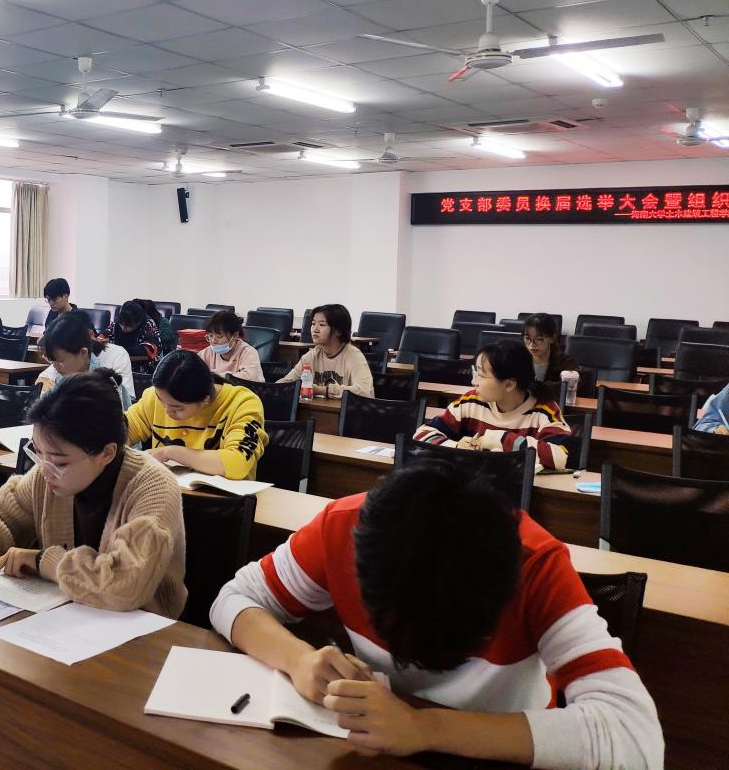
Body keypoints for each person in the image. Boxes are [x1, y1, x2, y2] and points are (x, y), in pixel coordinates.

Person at [209, 461, 662, 768]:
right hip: (376, 747)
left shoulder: (534, 565)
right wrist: (299, 660)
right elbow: (233, 599)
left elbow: (636, 739)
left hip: (497, 753)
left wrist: (425, 727)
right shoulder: (345, 528)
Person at [0, 370, 186, 618]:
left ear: (106, 453)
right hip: (64, 616)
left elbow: (125, 586)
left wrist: (43, 561)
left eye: (59, 462)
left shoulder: (153, 487)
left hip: (143, 627)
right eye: (37, 453)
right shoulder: (46, 475)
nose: (44, 470)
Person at [414, 339, 572, 472]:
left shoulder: (545, 411)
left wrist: (500, 438)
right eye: (475, 373)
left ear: (509, 384)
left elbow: (559, 457)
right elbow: (422, 434)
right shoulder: (471, 401)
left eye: (481, 375)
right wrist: (458, 447)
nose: (474, 382)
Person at [126, 350, 267, 479]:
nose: (166, 411)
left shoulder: (242, 403)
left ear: (205, 400)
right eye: (160, 401)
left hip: (225, 497)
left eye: (177, 408)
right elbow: (120, 432)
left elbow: (238, 463)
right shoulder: (155, 397)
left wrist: (169, 453)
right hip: (166, 492)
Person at [35, 310, 134, 408]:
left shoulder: (107, 386)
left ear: (83, 353)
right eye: (52, 361)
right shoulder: (62, 376)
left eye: (60, 361)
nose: (55, 367)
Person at [280, 303, 373, 397]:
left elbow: (364, 391)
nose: (315, 329)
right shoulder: (312, 355)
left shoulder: (354, 356)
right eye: (313, 324)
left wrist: (322, 390)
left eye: (322, 324)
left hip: (351, 407)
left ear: (338, 330)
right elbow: (285, 382)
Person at [197, 310, 264, 382]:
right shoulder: (207, 353)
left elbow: (249, 378)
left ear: (235, 335)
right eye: (210, 336)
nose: (213, 341)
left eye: (219, 337)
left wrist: (217, 376)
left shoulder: (248, 352)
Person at [523, 312, 579, 396]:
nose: (531, 344)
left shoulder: (566, 362)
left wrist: (535, 387)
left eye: (539, 339)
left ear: (552, 338)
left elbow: (570, 385)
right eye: (527, 338)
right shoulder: (520, 359)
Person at [106, 301, 162, 373]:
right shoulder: (117, 322)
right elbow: (103, 337)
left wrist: (121, 351)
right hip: (118, 364)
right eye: (121, 324)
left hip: (141, 369)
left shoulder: (148, 324)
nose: (123, 328)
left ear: (138, 322)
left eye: (128, 326)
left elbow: (151, 349)